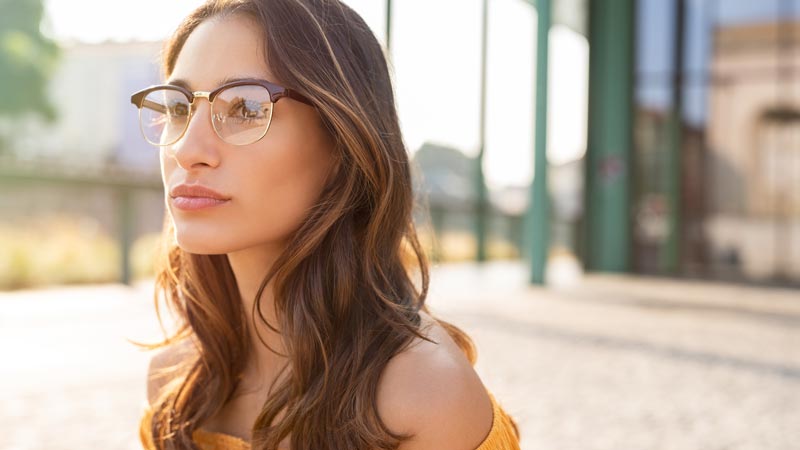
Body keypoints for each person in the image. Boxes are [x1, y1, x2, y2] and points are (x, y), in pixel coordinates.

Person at [129, 0, 521, 448]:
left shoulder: (423, 397)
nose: (186, 149)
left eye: (246, 109)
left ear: (343, 143)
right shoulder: (177, 385)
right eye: (179, 110)